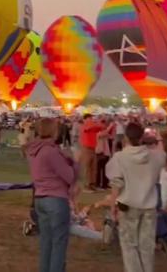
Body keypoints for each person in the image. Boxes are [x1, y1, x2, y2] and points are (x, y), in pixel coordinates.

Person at [104, 122, 166, 272]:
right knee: (147, 246)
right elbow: (163, 154)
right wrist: (159, 139)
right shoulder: (155, 156)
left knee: (129, 245)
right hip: (148, 206)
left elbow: (116, 183)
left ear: (126, 137)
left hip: (128, 205)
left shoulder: (120, 157)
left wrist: (112, 205)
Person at [26, 118, 78, 272]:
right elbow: (69, 176)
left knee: (46, 242)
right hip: (55, 199)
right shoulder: (51, 151)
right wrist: (73, 161)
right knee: (58, 243)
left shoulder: (34, 151)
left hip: (40, 198)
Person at [79, 114, 104, 191]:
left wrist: (96, 122)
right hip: (86, 148)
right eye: (89, 118)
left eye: (91, 118)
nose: (91, 119)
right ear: (84, 119)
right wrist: (93, 123)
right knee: (86, 167)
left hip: (93, 148)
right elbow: (88, 128)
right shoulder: (83, 126)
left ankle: (92, 184)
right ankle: (85, 186)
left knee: (93, 167)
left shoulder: (93, 125)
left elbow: (102, 127)